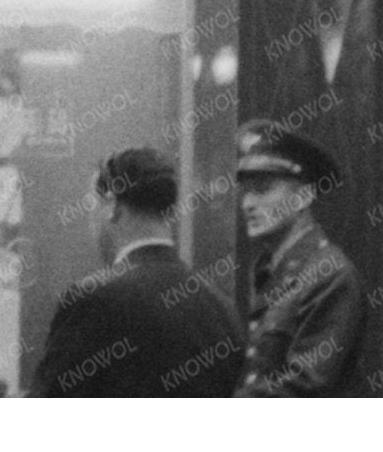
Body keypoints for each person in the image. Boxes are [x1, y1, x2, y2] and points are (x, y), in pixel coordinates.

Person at [31, 145, 245, 397]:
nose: (91, 224)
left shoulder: (91, 301)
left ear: (111, 205)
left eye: (93, 207)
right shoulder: (221, 307)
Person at [236, 121, 363, 396]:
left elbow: (304, 386)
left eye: (262, 188)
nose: (247, 203)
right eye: (245, 190)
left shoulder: (330, 275)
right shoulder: (270, 271)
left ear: (303, 195)